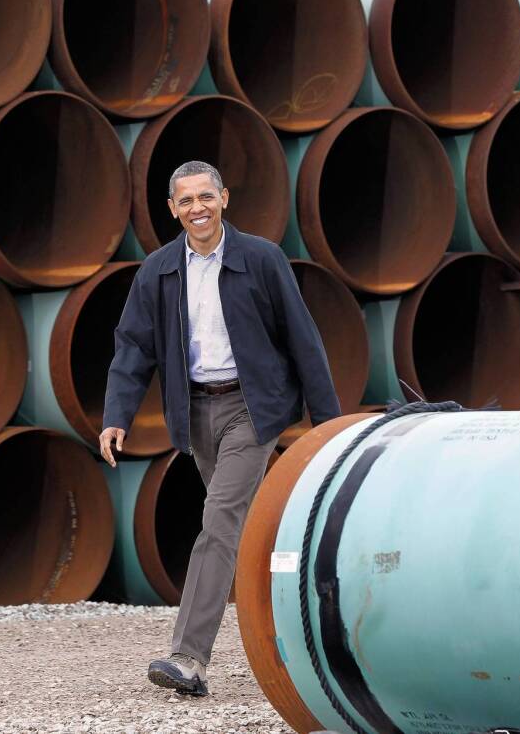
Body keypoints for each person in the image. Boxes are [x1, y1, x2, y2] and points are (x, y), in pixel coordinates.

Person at [99, 160, 340, 697]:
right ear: (171, 210)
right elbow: (133, 347)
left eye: (205, 197)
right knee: (259, 532)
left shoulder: (261, 259)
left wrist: (327, 429)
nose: (197, 209)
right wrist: (117, 415)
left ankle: (188, 657)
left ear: (224, 198)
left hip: (253, 408)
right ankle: (323, 624)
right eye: (185, 201)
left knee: (219, 523)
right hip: (195, 414)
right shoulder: (158, 271)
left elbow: (304, 340)